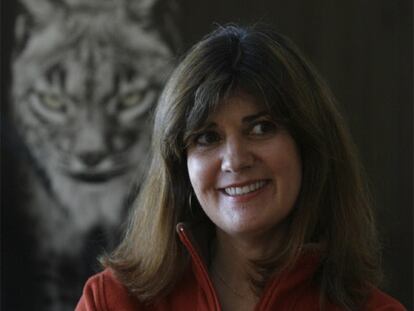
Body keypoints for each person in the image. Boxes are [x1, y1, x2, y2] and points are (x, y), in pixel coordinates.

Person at [76, 24, 406, 311]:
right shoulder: (112, 301)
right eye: (207, 137)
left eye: (261, 128)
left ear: (309, 149)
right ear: (181, 168)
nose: (235, 160)